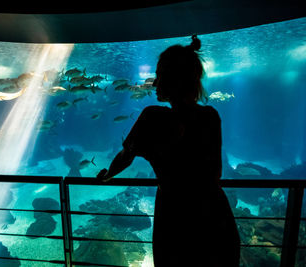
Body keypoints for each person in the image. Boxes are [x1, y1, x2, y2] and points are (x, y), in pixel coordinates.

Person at [97, 35, 240, 266]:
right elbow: (215, 173)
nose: (154, 82)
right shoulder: (210, 117)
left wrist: (107, 175)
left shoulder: (152, 117)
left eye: (160, 75)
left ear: (173, 80)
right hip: (215, 216)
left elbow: (126, 157)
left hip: (174, 217)